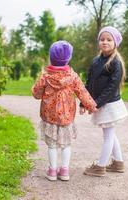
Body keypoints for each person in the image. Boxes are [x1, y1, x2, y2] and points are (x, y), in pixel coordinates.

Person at [32, 40, 97, 181]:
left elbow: (36, 93)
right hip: (66, 117)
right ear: (68, 58)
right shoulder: (73, 76)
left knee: (52, 145)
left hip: (49, 117)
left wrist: (39, 93)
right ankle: (64, 171)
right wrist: (91, 105)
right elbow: (82, 92)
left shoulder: (45, 76)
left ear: (51, 57)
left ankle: (52, 171)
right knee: (66, 145)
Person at [80, 26, 128, 177]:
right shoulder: (96, 61)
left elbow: (111, 88)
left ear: (115, 43)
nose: (105, 42)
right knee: (110, 134)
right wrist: (83, 102)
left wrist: (96, 104)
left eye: (108, 39)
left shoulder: (115, 63)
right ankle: (118, 163)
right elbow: (89, 83)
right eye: (102, 39)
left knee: (108, 136)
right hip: (100, 104)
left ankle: (100, 166)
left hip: (109, 105)